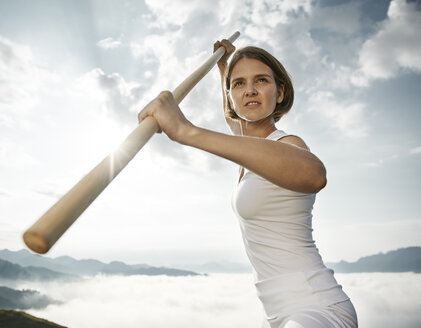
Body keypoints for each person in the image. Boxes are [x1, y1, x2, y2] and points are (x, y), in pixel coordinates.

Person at [138, 39, 358, 328]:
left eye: (261, 81)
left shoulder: (287, 145)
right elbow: (234, 121)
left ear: (280, 93)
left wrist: (185, 130)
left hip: (317, 309)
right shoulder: (248, 151)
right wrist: (223, 68)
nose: (250, 90)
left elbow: (315, 175)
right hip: (280, 316)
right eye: (239, 84)